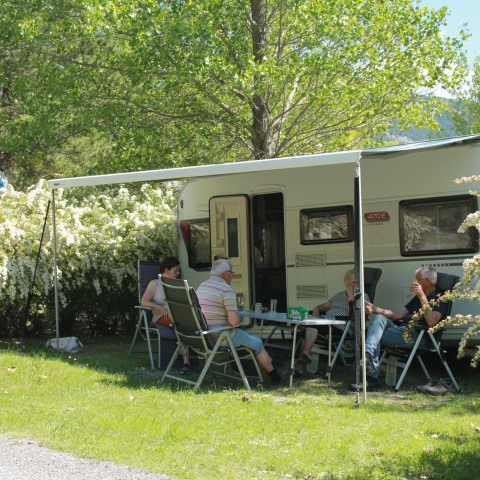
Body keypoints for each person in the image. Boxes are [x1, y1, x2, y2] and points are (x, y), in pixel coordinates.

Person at [350, 266, 447, 391]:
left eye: (418, 280)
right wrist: (374, 309)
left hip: (418, 336)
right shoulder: (417, 298)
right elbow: (397, 315)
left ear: (428, 281)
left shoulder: (440, 297)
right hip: (402, 331)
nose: (415, 282)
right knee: (379, 318)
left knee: (374, 336)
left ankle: (371, 376)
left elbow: (432, 322)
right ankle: (367, 356)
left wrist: (422, 297)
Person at [197, 258, 287, 384]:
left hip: (205, 336)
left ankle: (274, 364)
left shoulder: (202, 286)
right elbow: (234, 322)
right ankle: (274, 376)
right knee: (257, 343)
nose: (232, 276)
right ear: (225, 274)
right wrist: (235, 315)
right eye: (232, 273)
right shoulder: (226, 289)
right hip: (221, 336)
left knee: (247, 339)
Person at [295, 268, 370, 376]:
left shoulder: (363, 296)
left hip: (341, 326)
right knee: (305, 330)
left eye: (358, 282)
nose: (355, 285)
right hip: (326, 323)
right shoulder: (339, 295)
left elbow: (356, 314)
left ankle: (302, 360)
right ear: (347, 283)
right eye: (353, 282)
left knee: (311, 327)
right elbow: (324, 306)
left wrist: (351, 298)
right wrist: (317, 308)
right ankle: (302, 361)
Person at [141, 256, 190, 374]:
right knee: (182, 325)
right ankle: (186, 362)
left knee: (189, 323)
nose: (178, 273)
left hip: (176, 315)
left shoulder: (177, 284)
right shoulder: (155, 284)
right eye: (175, 270)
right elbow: (144, 302)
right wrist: (160, 308)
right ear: (167, 270)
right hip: (161, 316)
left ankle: (190, 355)